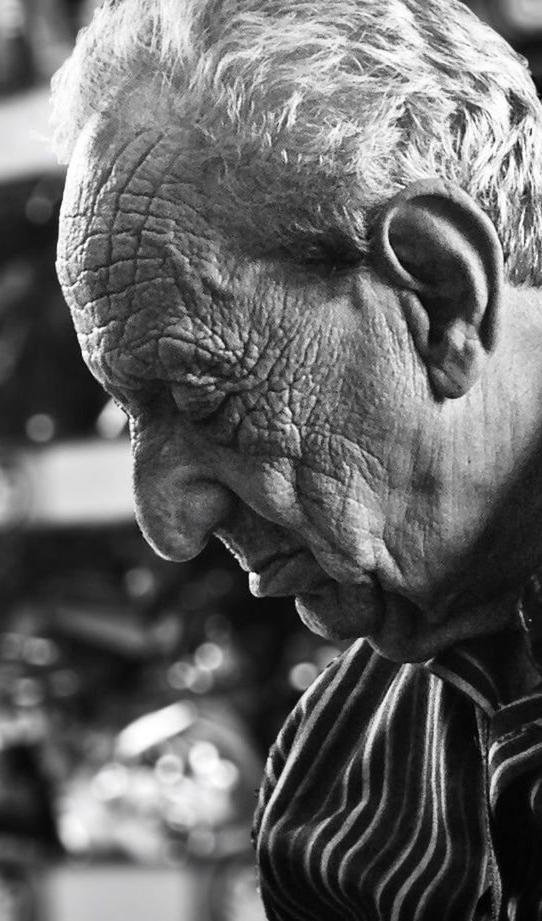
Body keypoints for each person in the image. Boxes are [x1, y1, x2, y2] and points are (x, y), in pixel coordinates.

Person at [52, 1, 542, 918]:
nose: (166, 524)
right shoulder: (332, 802)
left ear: (439, 297)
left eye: (206, 397)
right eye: (130, 414)